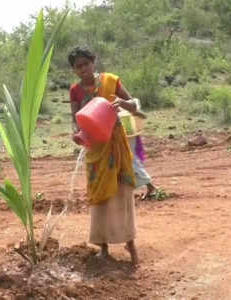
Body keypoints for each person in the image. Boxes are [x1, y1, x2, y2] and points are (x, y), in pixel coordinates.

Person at [68, 46, 139, 265]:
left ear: (93, 61)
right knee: (99, 196)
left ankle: (130, 243)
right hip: (95, 148)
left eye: (86, 64)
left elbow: (135, 106)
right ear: (74, 70)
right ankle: (103, 247)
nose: (83, 70)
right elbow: (75, 119)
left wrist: (124, 103)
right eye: (78, 67)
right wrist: (78, 134)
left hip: (115, 143)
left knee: (122, 192)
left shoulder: (111, 81)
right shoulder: (75, 91)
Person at [127, 100, 156, 200]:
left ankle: (150, 186)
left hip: (127, 132)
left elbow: (139, 112)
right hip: (125, 131)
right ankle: (149, 186)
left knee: (130, 159)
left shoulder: (119, 97)